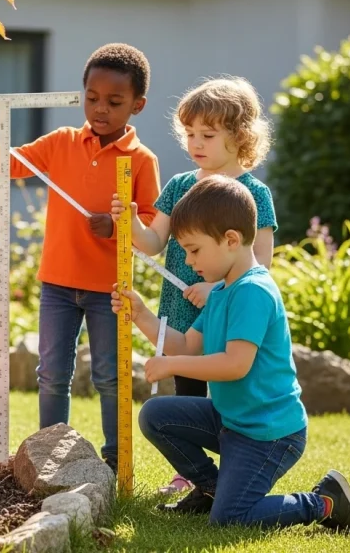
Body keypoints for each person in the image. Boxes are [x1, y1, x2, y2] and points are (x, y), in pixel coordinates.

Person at [111, 176, 350, 532]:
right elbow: (185, 345)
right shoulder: (221, 291)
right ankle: (216, 489)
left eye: (194, 250)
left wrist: (171, 365)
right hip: (232, 420)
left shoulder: (253, 291)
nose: (187, 260)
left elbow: (235, 365)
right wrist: (141, 315)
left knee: (231, 519)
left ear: (231, 239)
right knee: (156, 415)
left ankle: (323, 502)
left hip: (269, 434)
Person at [0, 43, 161, 470]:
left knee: (110, 376)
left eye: (115, 102)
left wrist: (115, 227)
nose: (101, 109)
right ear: (82, 95)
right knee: (51, 374)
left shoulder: (142, 160)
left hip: (110, 289)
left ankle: (114, 460)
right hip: (57, 283)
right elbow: (10, 164)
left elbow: (149, 222)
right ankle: (46, 455)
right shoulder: (62, 142)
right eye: (92, 98)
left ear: (137, 105)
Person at [111, 75, 278, 494]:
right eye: (189, 134)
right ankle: (193, 475)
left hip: (228, 317)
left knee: (224, 392)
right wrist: (130, 220)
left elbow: (263, 262)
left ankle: (236, 465)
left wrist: (217, 290)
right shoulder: (180, 186)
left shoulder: (255, 194)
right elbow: (151, 243)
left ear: (239, 136)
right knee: (187, 391)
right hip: (181, 310)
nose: (195, 143)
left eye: (207, 134)